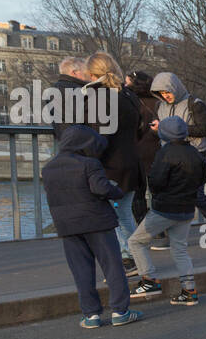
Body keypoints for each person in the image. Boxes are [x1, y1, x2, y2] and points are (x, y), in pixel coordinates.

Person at [40, 125, 141, 327]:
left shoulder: (48, 168)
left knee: (81, 270)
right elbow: (100, 188)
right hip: (97, 222)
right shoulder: (89, 164)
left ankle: (91, 315)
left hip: (68, 226)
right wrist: (116, 190)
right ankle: (120, 311)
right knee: (112, 266)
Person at [128, 116, 204, 306]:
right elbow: (203, 178)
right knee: (180, 249)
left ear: (164, 134)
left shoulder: (165, 153)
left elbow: (156, 181)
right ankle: (189, 291)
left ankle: (149, 280)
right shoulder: (195, 153)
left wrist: (156, 193)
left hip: (165, 209)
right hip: (187, 209)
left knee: (135, 242)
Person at [81, 51, 143, 277]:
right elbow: (139, 129)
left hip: (108, 164)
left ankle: (126, 258)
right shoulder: (128, 96)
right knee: (125, 213)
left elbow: (96, 137)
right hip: (130, 162)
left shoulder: (96, 97)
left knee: (109, 216)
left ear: (91, 73)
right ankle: (135, 256)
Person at [150, 72, 206, 240]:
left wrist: (178, 129)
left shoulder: (195, 104)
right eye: (161, 93)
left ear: (175, 88)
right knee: (170, 193)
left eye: (167, 92)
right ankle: (170, 230)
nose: (165, 96)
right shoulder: (159, 107)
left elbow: (205, 129)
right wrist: (157, 129)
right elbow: (161, 132)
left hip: (193, 154)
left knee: (195, 193)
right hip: (169, 155)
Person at [127, 71, 159, 224]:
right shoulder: (158, 101)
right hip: (156, 151)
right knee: (158, 192)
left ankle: (143, 226)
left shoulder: (131, 101)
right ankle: (160, 227)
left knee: (137, 194)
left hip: (136, 151)